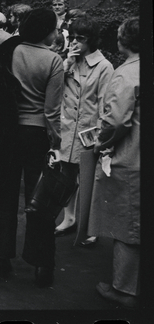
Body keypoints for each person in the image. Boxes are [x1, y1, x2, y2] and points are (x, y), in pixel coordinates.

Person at [0, 8, 63, 287]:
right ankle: (42, 263)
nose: (57, 33)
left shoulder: (11, 51)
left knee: (4, 196)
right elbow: (52, 111)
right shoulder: (53, 60)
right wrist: (56, 142)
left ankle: (1, 256)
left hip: (8, 132)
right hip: (37, 134)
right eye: (54, 28)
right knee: (39, 200)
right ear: (46, 31)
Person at [90, 17, 140, 309]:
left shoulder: (125, 75)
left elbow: (116, 120)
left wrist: (100, 142)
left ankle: (124, 288)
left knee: (128, 226)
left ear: (122, 41)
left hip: (130, 158)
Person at [53, 17, 113, 248]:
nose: (75, 42)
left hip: (89, 132)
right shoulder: (69, 62)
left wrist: (102, 138)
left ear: (92, 40)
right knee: (67, 177)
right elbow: (55, 89)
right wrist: (66, 64)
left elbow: (105, 103)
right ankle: (69, 219)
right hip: (67, 129)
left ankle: (91, 226)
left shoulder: (104, 67)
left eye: (81, 38)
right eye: (73, 37)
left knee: (89, 181)